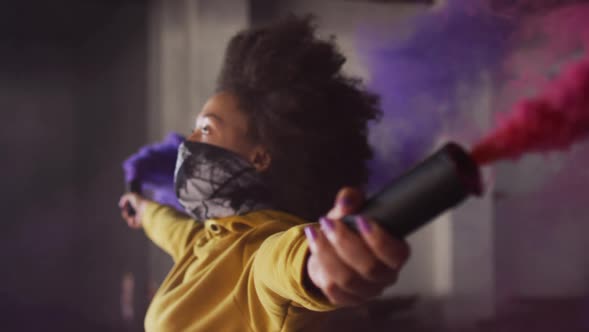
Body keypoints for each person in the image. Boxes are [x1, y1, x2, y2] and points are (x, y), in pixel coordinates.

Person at [119, 15, 410, 332]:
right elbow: (173, 228)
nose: (188, 144)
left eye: (206, 129)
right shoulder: (211, 239)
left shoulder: (261, 246)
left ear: (259, 157)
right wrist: (141, 208)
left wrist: (320, 261)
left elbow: (288, 262)